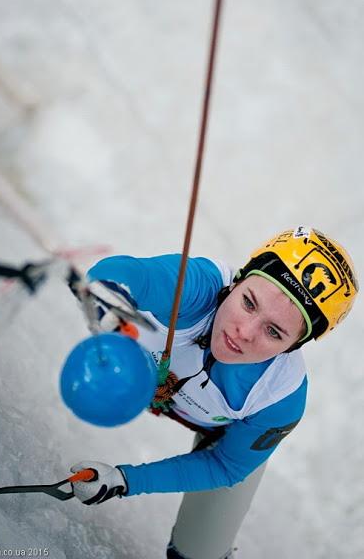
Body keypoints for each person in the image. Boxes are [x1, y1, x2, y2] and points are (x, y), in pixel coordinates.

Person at [68, 226, 358, 559]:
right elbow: (126, 273)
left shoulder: (279, 395)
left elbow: (226, 466)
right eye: (248, 303)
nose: (244, 333)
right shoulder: (199, 290)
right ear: (235, 283)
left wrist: (125, 479)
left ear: (293, 347)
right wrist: (107, 293)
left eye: (274, 332)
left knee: (198, 553)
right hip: (138, 377)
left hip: (220, 433)